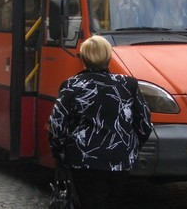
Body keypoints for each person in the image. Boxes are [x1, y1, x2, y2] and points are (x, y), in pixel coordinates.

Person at [48, 35, 153, 209]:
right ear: (109, 58)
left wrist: (59, 150)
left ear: (83, 59)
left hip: (83, 159)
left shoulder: (72, 85)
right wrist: (130, 146)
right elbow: (145, 124)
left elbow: (57, 124)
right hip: (119, 158)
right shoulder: (128, 85)